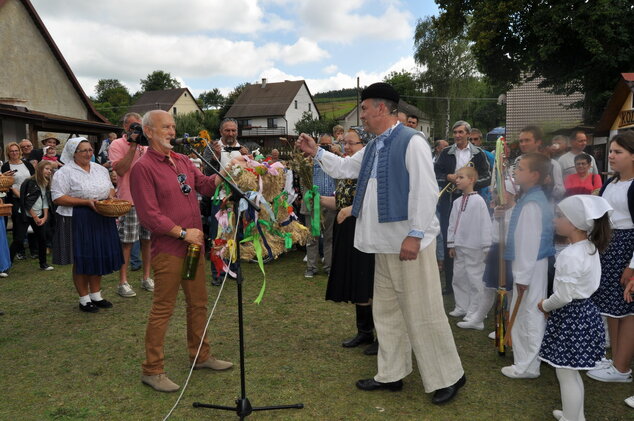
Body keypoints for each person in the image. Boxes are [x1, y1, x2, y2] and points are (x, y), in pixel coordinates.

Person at [297, 82, 465, 405]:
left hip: (408, 245)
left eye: (364, 108)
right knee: (387, 313)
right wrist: (316, 152)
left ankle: (449, 376)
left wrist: (416, 235)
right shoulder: (374, 146)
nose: (361, 114)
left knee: (423, 310)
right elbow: (346, 169)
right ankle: (391, 374)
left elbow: (426, 191)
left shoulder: (412, 141)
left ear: (381, 109)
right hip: (383, 245)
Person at [130, 110, 232, 393]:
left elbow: (205, 186)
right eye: (166, 127)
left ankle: (200, 356)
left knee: (198, 303)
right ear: (149, 132)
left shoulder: (183, 159)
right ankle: (152, 369)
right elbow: (149, 216)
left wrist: (226, 172)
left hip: (194, 250)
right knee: (163, 309)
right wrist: (184, 233)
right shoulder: (143, 168)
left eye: (173, 127)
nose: (172, 132)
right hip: (170, 250)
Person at [537, 195, 612, 421]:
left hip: (572, 318)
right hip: (584, 314)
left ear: (575, 223)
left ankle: (571, 418)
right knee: (570, 371)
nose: (555, 220)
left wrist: (545, 305)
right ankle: (575, 415)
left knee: (565, 373)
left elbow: (564, 295)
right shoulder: (589, 248)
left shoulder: (571, 254)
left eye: (560, 216)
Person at [51, 137, 123, 313]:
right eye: (84, 150)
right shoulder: (65, 172)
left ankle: (96, 295)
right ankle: (84, 299)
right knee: (82, 258)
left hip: (101, 214)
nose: (88, 153)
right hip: (78, 217)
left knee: (97, 255)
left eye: (90, 150)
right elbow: (57, 197)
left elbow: (109, 188)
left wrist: (111, 196)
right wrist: (85, 202)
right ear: (73, 153)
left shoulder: (99, 169)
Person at [322, 128, 377, 355]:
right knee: (357, 281)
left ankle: (381, 336)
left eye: (351, 144)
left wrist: (351, 209)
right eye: (344, 143)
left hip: (365, 228)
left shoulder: (370, 169)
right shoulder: (348, 168)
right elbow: (340, 201)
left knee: (369, 282)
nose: (346, 148)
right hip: (346, 228)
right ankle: (364, 332)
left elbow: (372, 202)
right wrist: (317, 199)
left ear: (364, 144)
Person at [502, 153, 555, 379]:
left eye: (521, 168)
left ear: (534, 175)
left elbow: (529, 243)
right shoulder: (530, 197)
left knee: (529, 314)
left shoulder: (532, 203)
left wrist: (522, 277)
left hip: (530, 267)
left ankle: (528, 365)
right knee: (525, 312)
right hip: (530, 266)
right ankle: (524, 361)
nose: (516, 171)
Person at [587, 132, 634, 383]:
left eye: (618, 152)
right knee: (613, 310)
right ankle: (615, 359)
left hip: (627, 249)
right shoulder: (612, 183)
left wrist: (632, 266)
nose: (612, 156)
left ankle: (622, 367)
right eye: (612, 151)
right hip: (610, 246)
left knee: (627, 311)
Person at [435, 121, 491, 294]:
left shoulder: (478, 154)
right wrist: (449, 177)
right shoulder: (446, 153)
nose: (457, 136)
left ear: (468, 134)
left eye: (461, 132)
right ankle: (450, 284)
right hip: (449, 201)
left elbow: (488, 176)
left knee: (470, 239)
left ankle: (471, 282)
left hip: (471, 200)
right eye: (455, 132)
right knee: (449, 239)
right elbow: (435, 174)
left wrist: (469, 185)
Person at [108, 112, 154, 298]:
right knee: (127, 243)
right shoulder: (117, 144)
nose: (138, 129)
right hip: (129, 200)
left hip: (148, 200)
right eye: (135, 126)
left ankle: (146, 277)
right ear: (126, 127)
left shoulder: (147, 144)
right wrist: (133, 145)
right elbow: (120, 169)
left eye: (140, 126)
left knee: (148, 241)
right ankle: (123, 282)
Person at [446, 166, 492, 324]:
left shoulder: (479, 201)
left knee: (475, 279)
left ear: (471, 180)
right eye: (456, 177)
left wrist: (486, 246)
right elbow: (452, 223)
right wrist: (451, 244)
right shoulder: (457, 201)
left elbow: (485, 223)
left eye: (461, 177)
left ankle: (476, 311)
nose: (457, 180)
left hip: (475, 246)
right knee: (458, 277)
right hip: (459, 245)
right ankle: (462, 305)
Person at [303, 134, 337, 278]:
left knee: (330, 237)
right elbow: (303, 179)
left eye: (327, 144)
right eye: (322, 144)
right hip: (313, 203)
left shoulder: (336, 160)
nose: (324, 146)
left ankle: (329, 266)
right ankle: (311, 267)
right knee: (312, 237)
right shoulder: (309, 160)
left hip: (330, 202)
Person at [13, 161, 55, 270]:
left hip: (39, 214)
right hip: (25, 215)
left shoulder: (46, 183)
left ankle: (43, 264)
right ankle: (5, 266)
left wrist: (44, 217)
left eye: (50, 170)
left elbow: (45, 201)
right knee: (18, 240)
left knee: (42, 239)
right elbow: (26, 202)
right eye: (47, 169)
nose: (49, 171)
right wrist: (35, 217)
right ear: (40, 169)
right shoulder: (29, 182)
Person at [1, 142, 36, 260]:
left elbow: (33, 179)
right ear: (8, 153)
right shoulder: (5, 166)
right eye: (12, 151)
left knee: (33, 221)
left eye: (16, 150)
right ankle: (20, 251)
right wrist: (22, 197)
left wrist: (31, 195)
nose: (14, 153)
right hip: (15, 199)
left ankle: (34, 250)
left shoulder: (27, 164)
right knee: (19, 223)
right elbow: (9, 185)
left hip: (31, 197)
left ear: (19, 151)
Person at [517, 125, 565, 200]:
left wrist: (549, 184)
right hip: (522, 207)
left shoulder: (552, 164)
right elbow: (513, 187)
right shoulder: (517, 161)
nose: (523, 144)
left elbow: (560, 192)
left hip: (544, 207)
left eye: (527, 140)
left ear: (538, 142)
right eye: (521, 141)